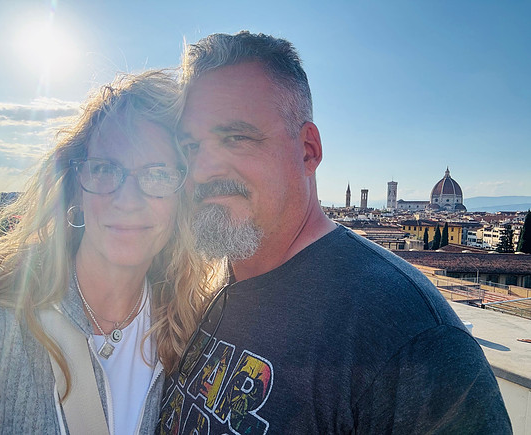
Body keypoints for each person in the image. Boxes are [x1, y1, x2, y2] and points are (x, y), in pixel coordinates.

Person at [157, 32, 512, 434]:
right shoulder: (212, 286)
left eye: (236, 138)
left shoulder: (413, 338)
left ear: (308, 150)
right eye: (190, 147)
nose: (203, 170)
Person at [0, 70, 215, 434]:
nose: (127, 201)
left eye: (157, 174)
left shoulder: (192, 334)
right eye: (106, 169)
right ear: (76, 187)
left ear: (181, 197)